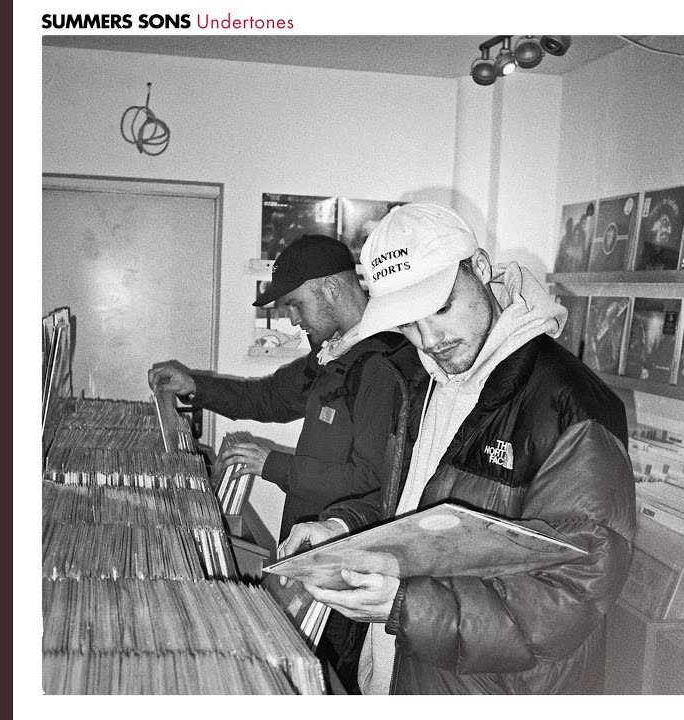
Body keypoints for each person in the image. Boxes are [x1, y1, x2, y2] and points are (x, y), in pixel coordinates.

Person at [282, 202, 636, 694]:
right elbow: (413, 507)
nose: (429, 339)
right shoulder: (425, 380)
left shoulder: (571, 406)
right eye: (408, 322)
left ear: (481, 268)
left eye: (442, 307)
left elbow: (571, 594)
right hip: (403, 674)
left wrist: (408, 606)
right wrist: (341, 530)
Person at [147, 233, 420, 694]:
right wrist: (196, 386)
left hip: (344, 563)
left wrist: (272, 465)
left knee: (328, 681)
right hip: (307, 555)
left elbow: (373, 482)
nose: (293, 319)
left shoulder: (382, 365)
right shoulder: (333, 352)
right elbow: (269, 397)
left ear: (331, 289)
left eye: (295, 304)